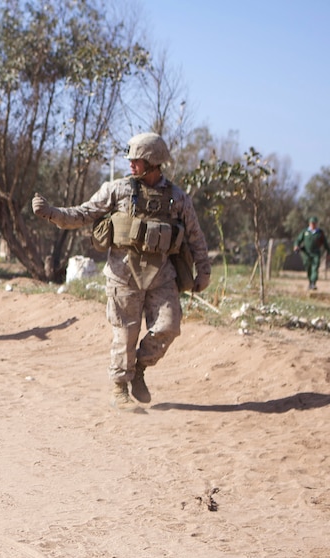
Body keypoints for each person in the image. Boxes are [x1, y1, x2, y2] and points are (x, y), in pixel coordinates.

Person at [32, 132, 211, 409]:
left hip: (162, 276)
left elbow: (195, 237)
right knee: (125, 334)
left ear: (153, 162)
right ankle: (120, 389)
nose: (131, 164)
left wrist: (204, 271)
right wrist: (51, 213)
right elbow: (83, 214)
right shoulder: (117, 190)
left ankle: (139, 369)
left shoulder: (178, 198)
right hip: (123, 275)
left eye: (137, 160)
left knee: (169, 327)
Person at [293, 216, 328, 291]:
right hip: (306, 254)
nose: (313, 225)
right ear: (309, 223)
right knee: (308, 268)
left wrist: (328, 251)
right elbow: (298, 240)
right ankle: (310, 282)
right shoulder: (305, 232)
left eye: (314, 223)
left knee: (315, 268)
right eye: (312, 223)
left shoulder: (320, 232)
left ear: (316, 224)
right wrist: (296, 246)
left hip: (316, 253)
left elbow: (325, 243)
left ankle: (313, 283)